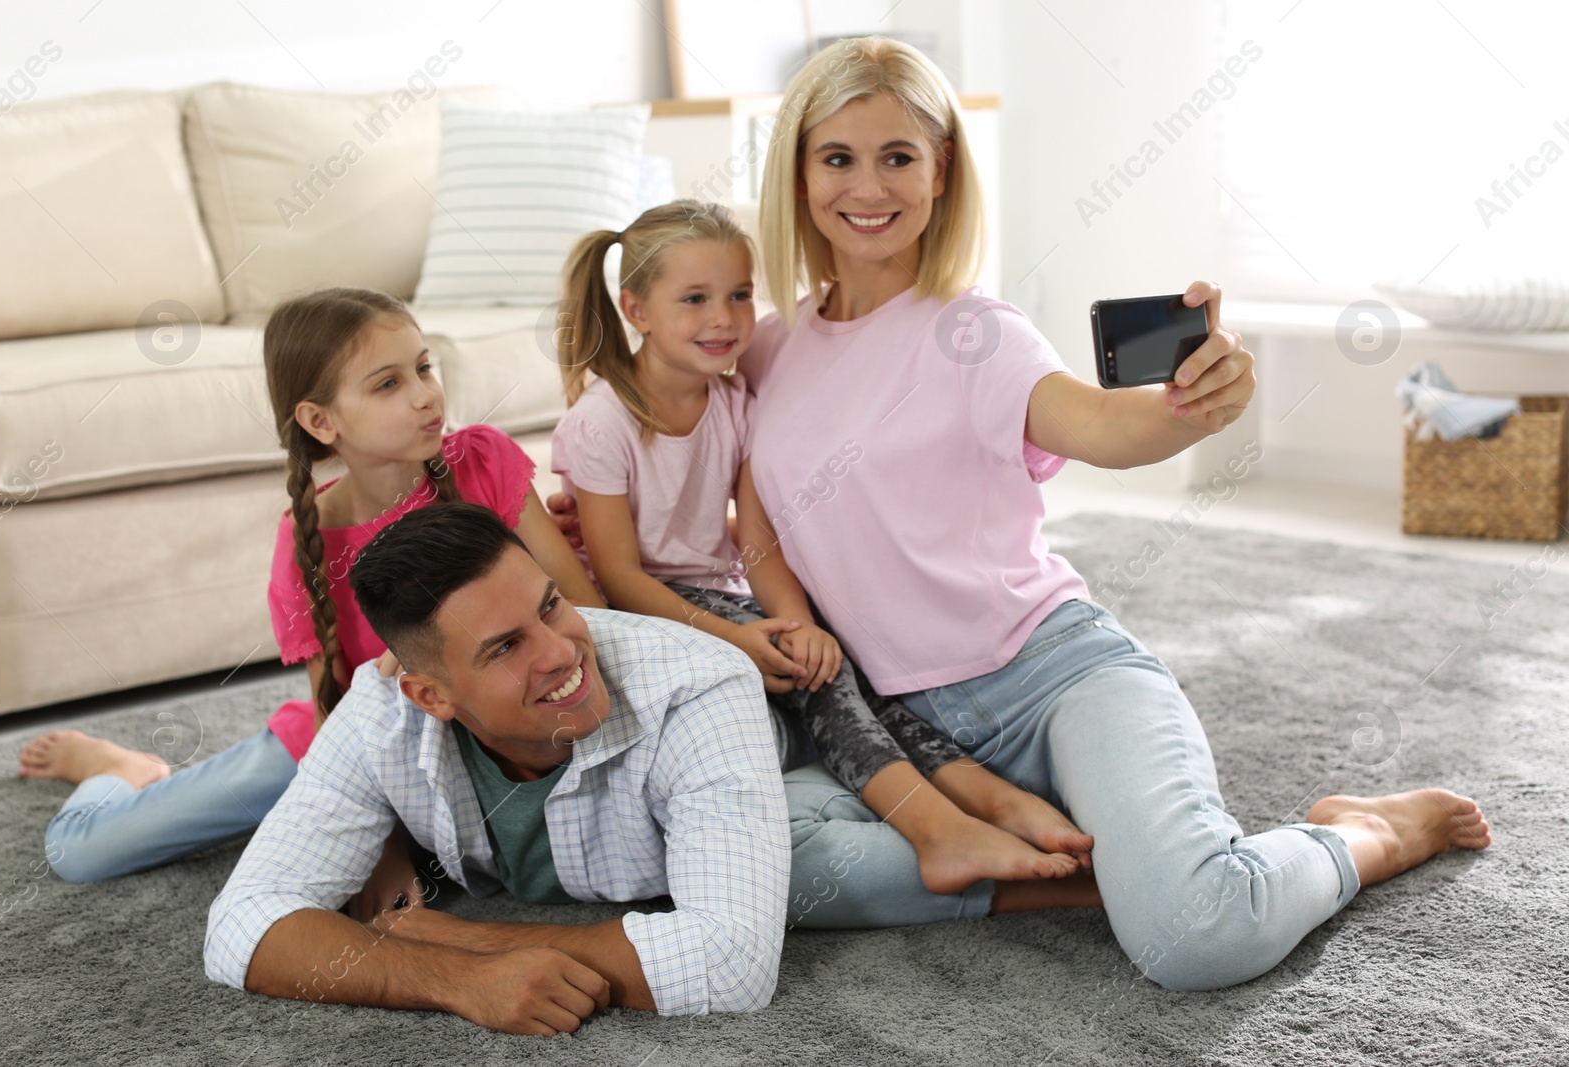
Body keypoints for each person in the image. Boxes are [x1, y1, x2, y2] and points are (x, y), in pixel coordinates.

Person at [551, 37, 1492, 989]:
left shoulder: (977, 331)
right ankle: (1074, 873)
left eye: (898, 156)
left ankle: (1359, 832)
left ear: (942, 170)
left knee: (1201, 936)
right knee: (757, 864)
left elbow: (1101, 423)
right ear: (798, 173)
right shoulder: (761, 344)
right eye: (838, 157)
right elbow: (689, 456)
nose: (866, 186)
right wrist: (590, 506)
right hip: (896, 725)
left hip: (1052, 677)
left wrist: (1192, 401)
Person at [548, 198, 1093, 894]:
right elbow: (619, 580)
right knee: (820, 676)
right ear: (637, 310)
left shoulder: (734, 399)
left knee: (839, 656)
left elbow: (760, 535)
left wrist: (798, 623)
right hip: (649, 612)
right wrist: (739, 637)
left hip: (719, 594)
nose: (724, 318)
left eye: (740, 295)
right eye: (695, 299)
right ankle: (937, 830)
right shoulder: (602, 424)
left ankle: (988, 797)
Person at [18, 288, 601, 909]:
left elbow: (589, 611)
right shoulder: (308, 544)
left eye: (424, 367)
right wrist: (380, 853)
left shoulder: (482, 462)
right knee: (81, 852)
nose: (426, 394)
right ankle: (119, 770)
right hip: (345, 752)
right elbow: (332, 715)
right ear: (321, 422)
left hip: (478, 742)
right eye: (387, 384)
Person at [204, 502, 793, 1033]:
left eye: (551, 605)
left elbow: (734, 962)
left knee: (850, 869)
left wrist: (470, 939)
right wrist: (452, 980)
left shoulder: (698, 682)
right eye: (506, 647)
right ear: (431, 696)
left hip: (786, 760)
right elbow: (239, 926)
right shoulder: (380, 713)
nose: (561, 651)